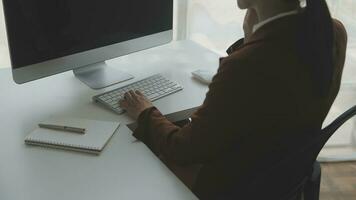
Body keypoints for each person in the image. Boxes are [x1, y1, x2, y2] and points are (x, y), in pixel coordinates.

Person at [119, 0, 348, 199]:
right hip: (276, 175)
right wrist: (253, 38)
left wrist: (145, 111)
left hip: (228, 186)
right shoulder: (332, 33)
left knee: (128, 153)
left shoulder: (247, 65)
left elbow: (181, 149)